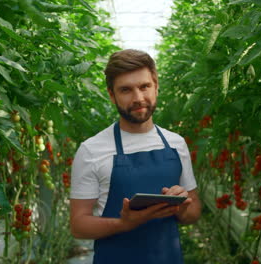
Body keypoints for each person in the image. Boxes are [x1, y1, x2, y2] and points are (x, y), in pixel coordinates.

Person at [69, 49, 201, 264]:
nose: (138, 98)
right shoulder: (92, 150)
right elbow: (78, 224)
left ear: (156, 86)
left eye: (144, 86)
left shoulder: (176, 144)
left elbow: (194, 212)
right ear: (112, 95)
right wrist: (124, 224)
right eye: (126, 90)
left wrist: (183, 208)